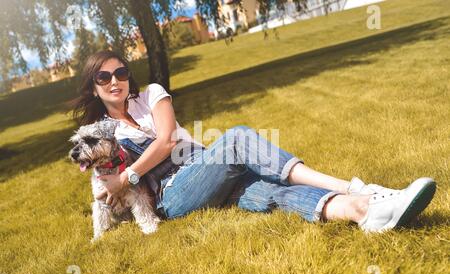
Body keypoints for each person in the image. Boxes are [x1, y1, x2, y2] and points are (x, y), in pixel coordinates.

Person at [72, 51, 436, 233]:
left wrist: (128, 176)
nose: (115, 80)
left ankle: (363, 210)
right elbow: (106, 187)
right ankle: (359, 187)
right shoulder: (100, 134)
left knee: (268, 192)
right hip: (174, 193)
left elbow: (167, 139)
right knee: (237, 138)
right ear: (94, 86)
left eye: (121, 72)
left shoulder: (151, 93)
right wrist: (121, 186)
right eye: (104, 77)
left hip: (203, 167)